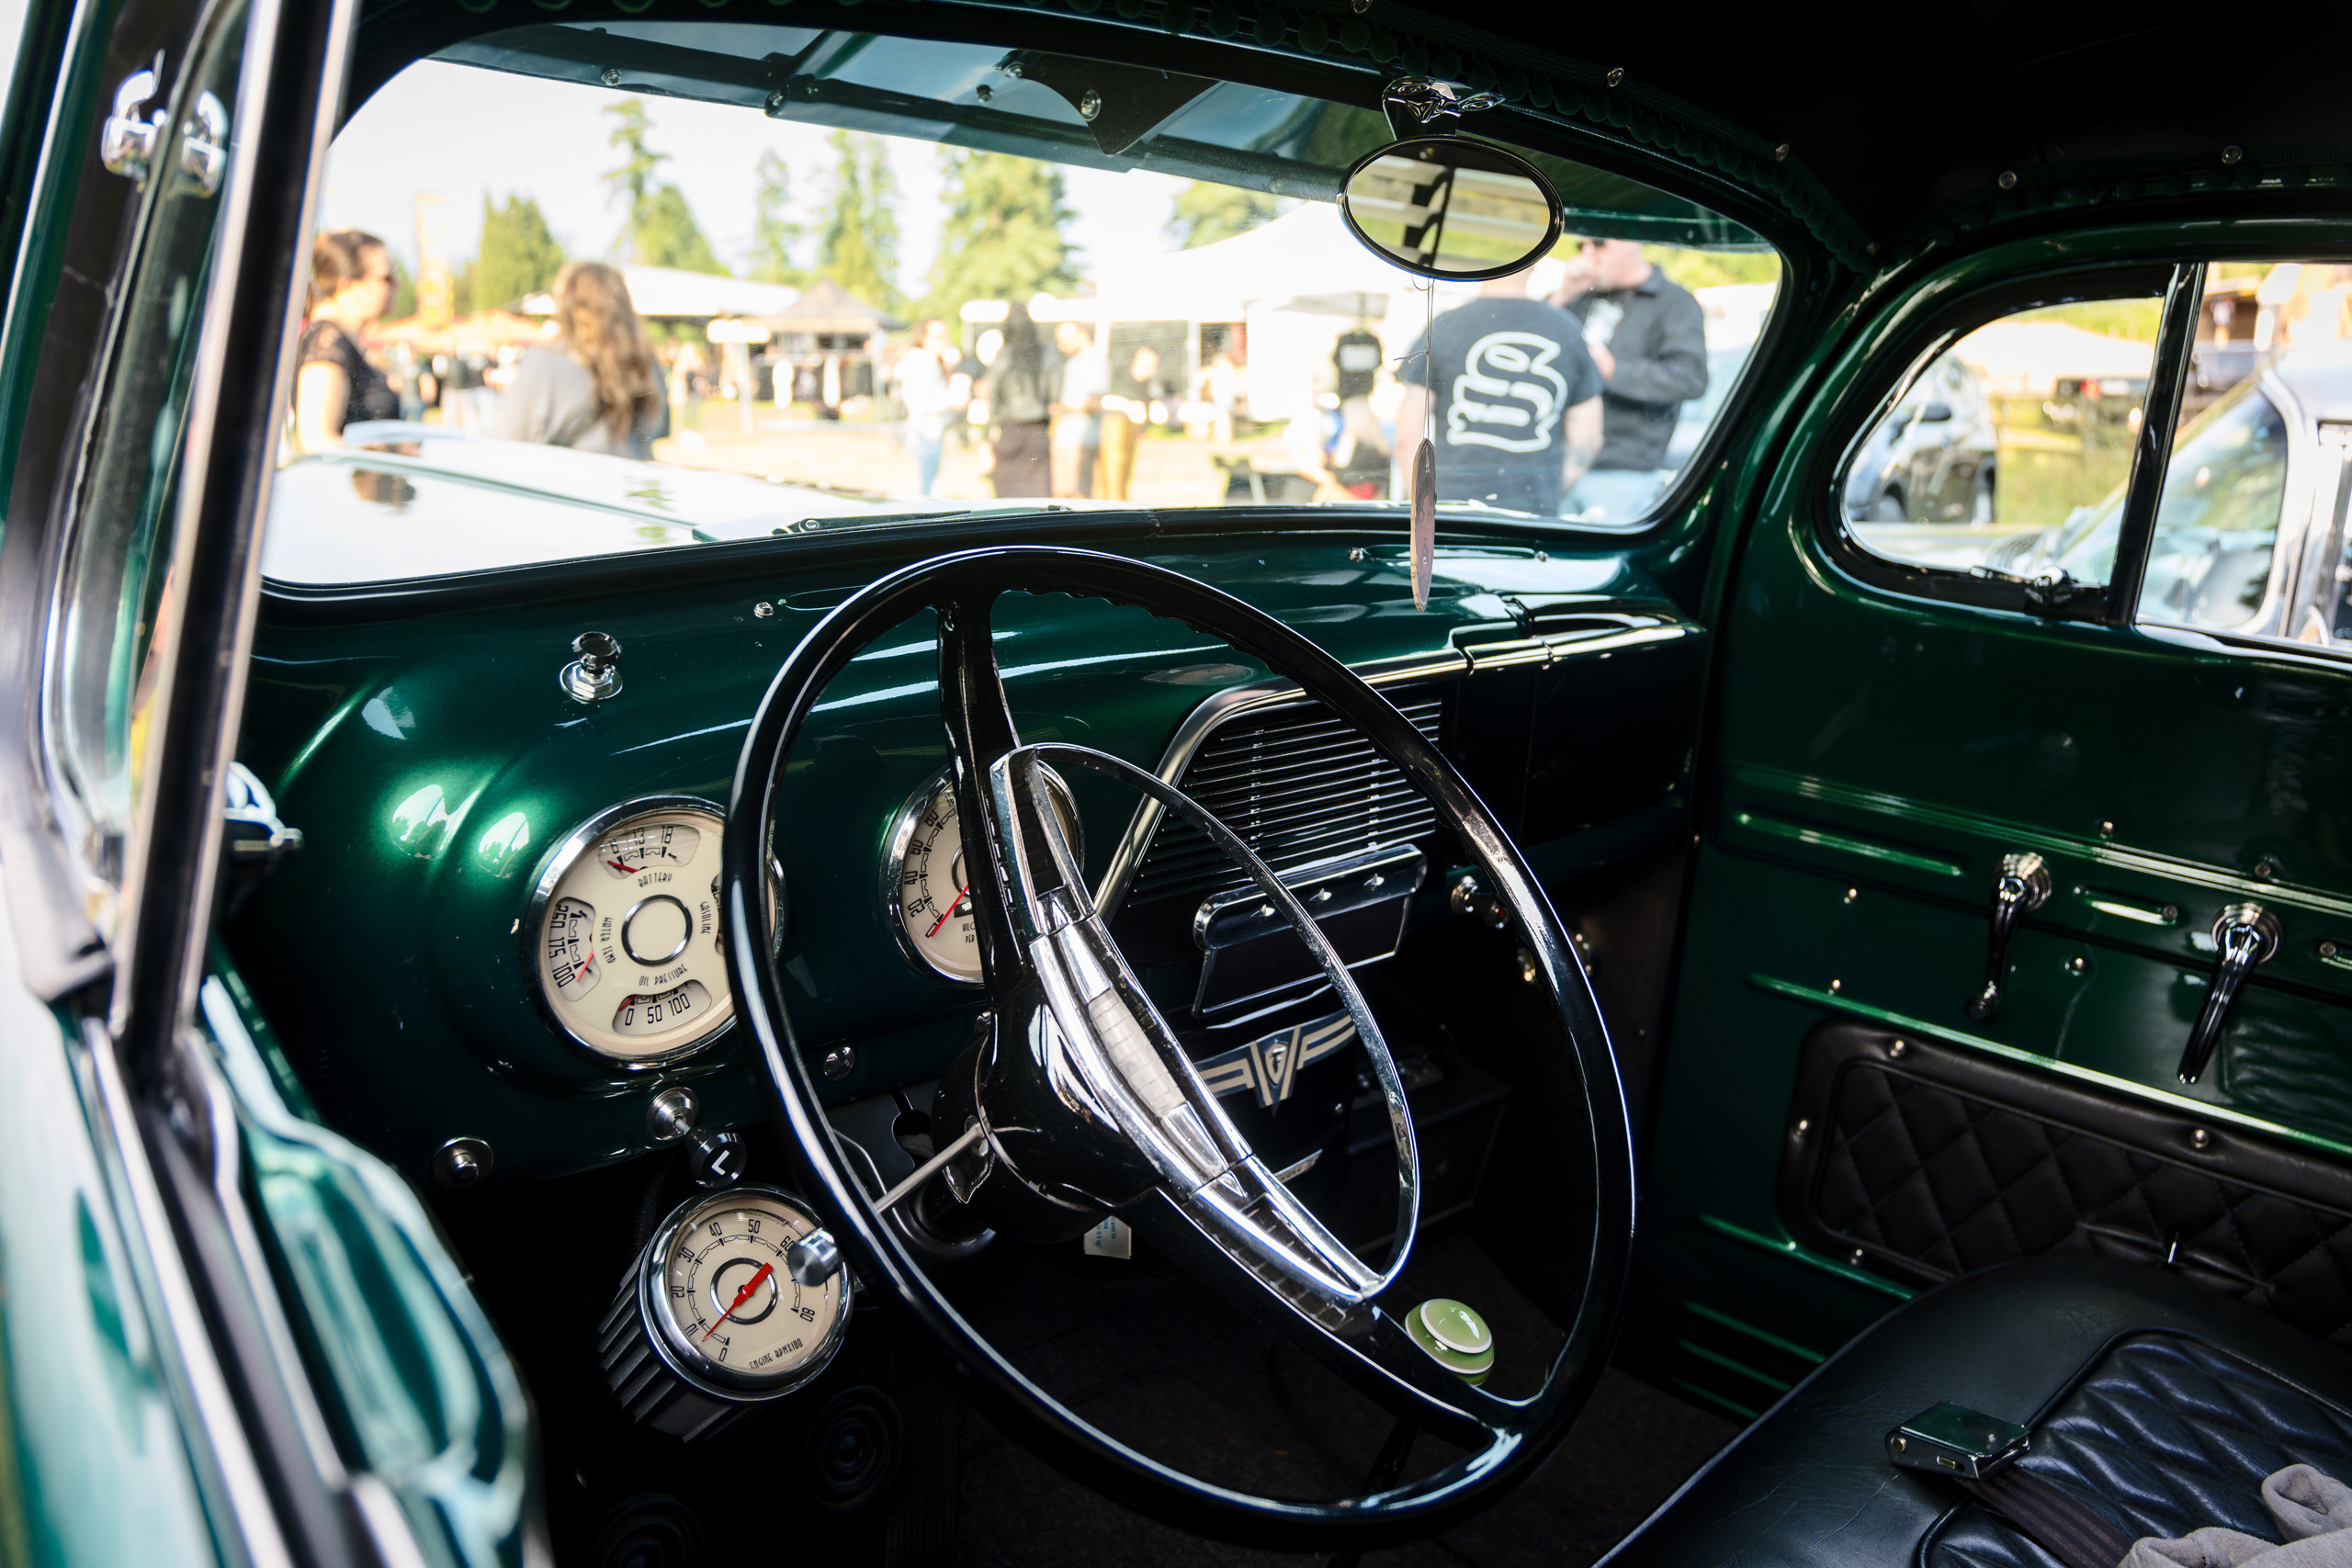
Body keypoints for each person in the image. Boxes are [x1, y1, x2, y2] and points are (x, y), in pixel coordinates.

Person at [1396, 262, 1603, 513]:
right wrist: (1547, 495)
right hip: (1531, 516)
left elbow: (1408, 435)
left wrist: (1422, 512)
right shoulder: (1567, 329)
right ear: (1534, 264)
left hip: (1451, 512)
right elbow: (1587, 439)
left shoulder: (1444, 326)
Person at [1549, 236, 1709, 514]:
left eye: (1598, 244)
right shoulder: (1578, 295)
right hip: (1555, 464)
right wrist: (1564, 293)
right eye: (1581, 246)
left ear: (1631, 242)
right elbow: (1533, 340)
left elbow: (1690, 378)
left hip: (1621, 471)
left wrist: (1611, 370)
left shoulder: (1674, 302)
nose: (1588, 254)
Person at [490, 261, 664, 458]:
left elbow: (507, 443)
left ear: (567, 306)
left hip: (563, 484)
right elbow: (658, 430)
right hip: (628, 484)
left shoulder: (545, 363)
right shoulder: (645, 364)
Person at [293, 230, 399, 451]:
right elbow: (317, 442)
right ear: (348, 285)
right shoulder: (326, 342)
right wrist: (390, 453)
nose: (396, 285)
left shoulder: (336, 342)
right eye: (386, 277)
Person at [982, 302, 1055, 498]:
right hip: (1038, 431)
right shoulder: (1046, 355)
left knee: (1007, 497)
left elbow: (994, 398)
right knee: (1038, 495)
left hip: (1010, 430)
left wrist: (987, 437)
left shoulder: (1003, 356)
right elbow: (1053, 394)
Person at [896, 319, 956, 498]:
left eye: (945, 335)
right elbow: (918, 403)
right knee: (924, 492)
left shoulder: (927, 360)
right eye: (938, 336)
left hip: (929, 430)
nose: (945, 340)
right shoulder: (922, 361)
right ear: (923, 338)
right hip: (925, 431)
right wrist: (951, 400)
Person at [1095, 342, 1161, 502]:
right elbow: (1103, 400)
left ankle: (1118, 503)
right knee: (1113, 470)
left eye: (1153, 365)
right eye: (1148, 364)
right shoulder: (1120, 378)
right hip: (1114, 429)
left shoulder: (1145, 385)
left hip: (1130, 434)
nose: (1151, 370)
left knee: (1124, 471)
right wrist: (1127, 406)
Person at [1049, 319, 1106, 498]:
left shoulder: (1095, 360)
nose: (1061, 346)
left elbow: (1095, 403)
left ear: (1082, 335)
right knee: (1062, 494)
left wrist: (1063, 407)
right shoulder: (1074, 361)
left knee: (1079, 497)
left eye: (1065, 341)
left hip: (1083, 439)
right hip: (1067, 438)